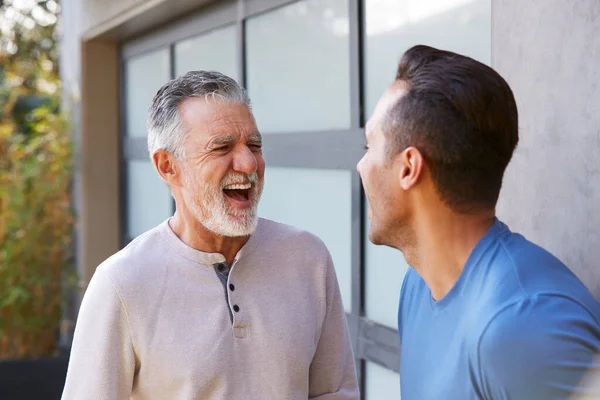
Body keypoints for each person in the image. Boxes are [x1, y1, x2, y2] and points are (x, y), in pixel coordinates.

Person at [62, 71, 359, 399]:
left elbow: (335, 392)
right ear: (167, 166)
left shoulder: (309, 259)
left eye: (255, 145)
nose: (248, 163)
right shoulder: (121, 284)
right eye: (222, 147)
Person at [357, 45, 600, 399]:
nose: (361, 166)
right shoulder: (417, 286)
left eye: (369, 146)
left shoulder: (525, 323)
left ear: (408, 168)